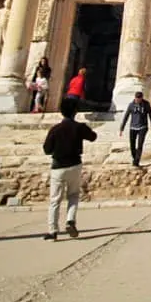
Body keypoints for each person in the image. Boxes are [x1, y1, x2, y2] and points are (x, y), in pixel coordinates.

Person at [42, 96, 97, 241]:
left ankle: (52, 231)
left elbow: (47, 149)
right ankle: (70, 220)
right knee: (73, 195)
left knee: (55, 200)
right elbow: (93, 137)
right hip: (74, 165)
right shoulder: (79, 127)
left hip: (58, 167)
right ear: (75, 111)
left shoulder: (55, 129)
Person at [119, 91, 151, 166]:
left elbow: (150, 114)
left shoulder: (146, 104)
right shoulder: (131, 105)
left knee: (140, 145)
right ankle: (134, 157)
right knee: (132, 145)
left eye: (139, 98)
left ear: (142, 98)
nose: (138, 100)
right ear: (135, 98)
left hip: (143, 127)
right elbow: (126, 116)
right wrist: (122, 128)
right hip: (133, 127)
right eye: (137, 98)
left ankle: (136, 161)